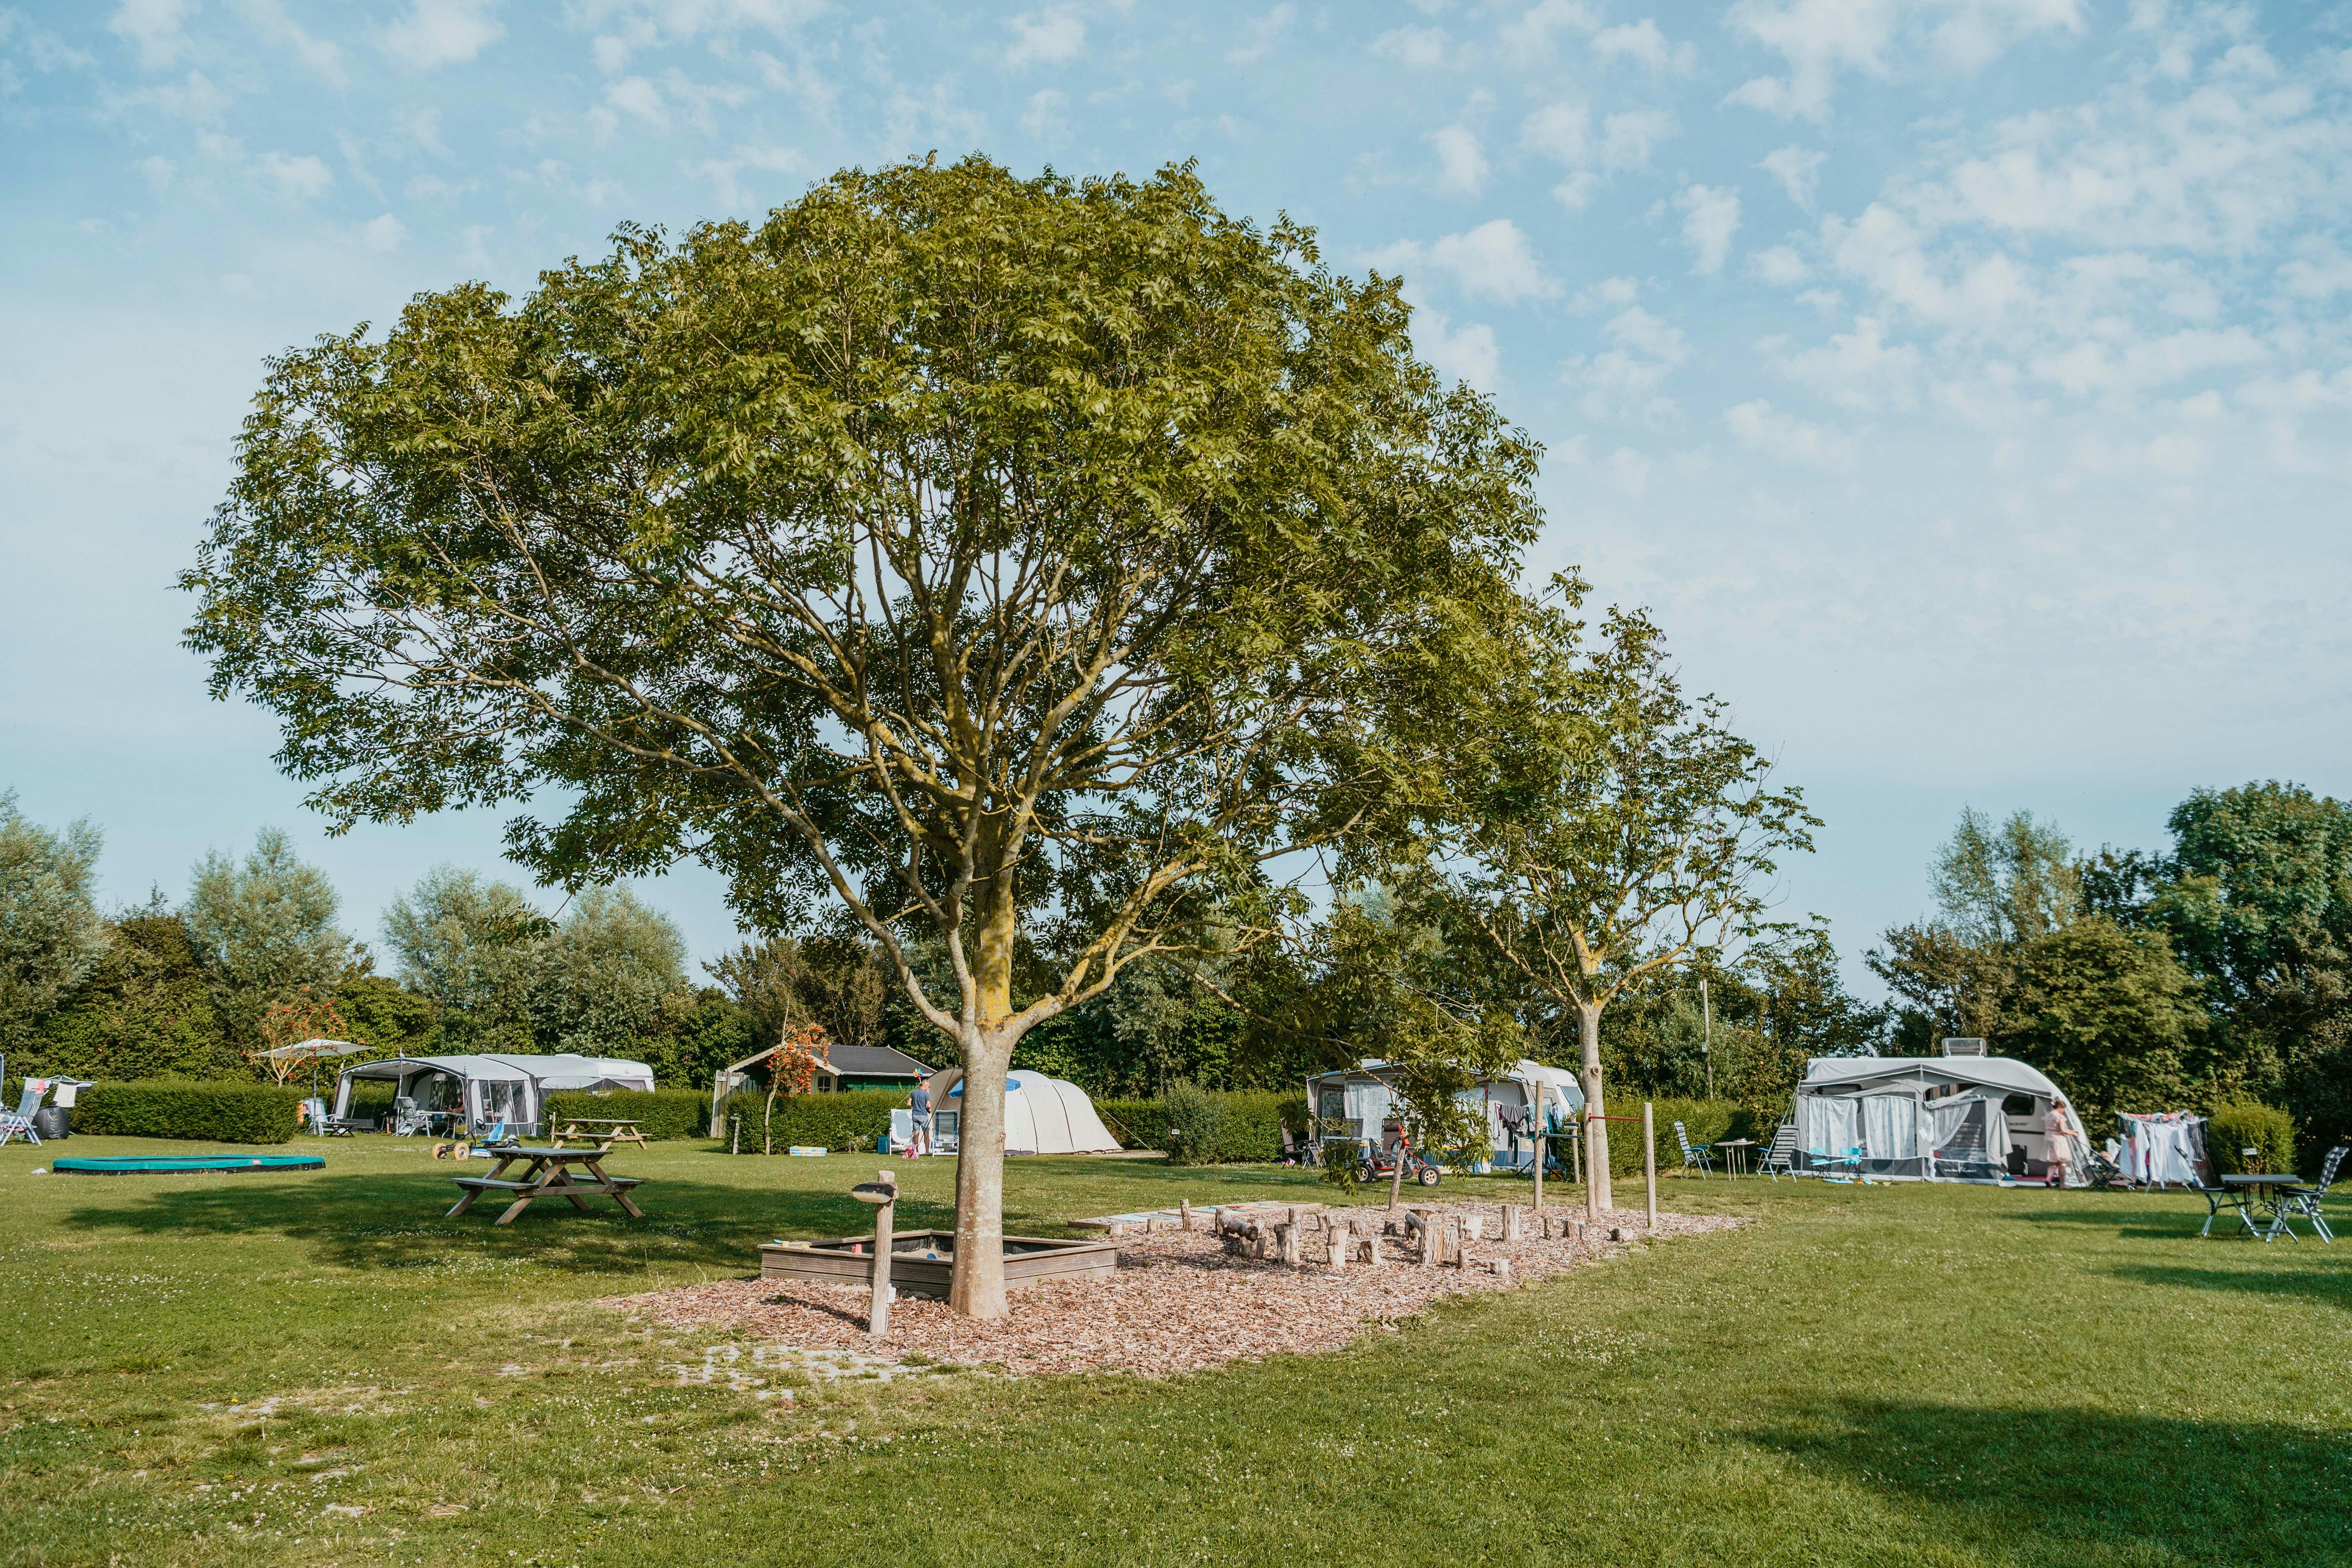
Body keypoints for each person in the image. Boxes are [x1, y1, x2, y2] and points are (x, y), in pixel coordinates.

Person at [2044, 1097, 2077, 1188]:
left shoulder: (2048, 1115)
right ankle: (2063, 1184)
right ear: (2059, 1107)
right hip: (2058, 1140)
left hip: (2048, 1138)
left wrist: (2069, 1131)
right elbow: (2062, 1130)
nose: (2064, 1111)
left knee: (2054, 1163)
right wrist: (2073, 1133)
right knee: (2063, 1163)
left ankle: (2048, 1179)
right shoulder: (2060, 1117)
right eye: (2063, 1109)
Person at [907, 1080, 932, 1159]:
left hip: (915, 1115)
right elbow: (929, 1106)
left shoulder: (913, 1093)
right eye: (929, 1086)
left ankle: (916, 1151)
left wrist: (914, 1104)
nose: (929, 1088)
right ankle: (927, 1151)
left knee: (916, 1133)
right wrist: (927, 1107)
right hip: (923, 1116)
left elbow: (909, 1104)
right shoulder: (926, 1094)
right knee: (926, 1133)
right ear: (925, 1086)